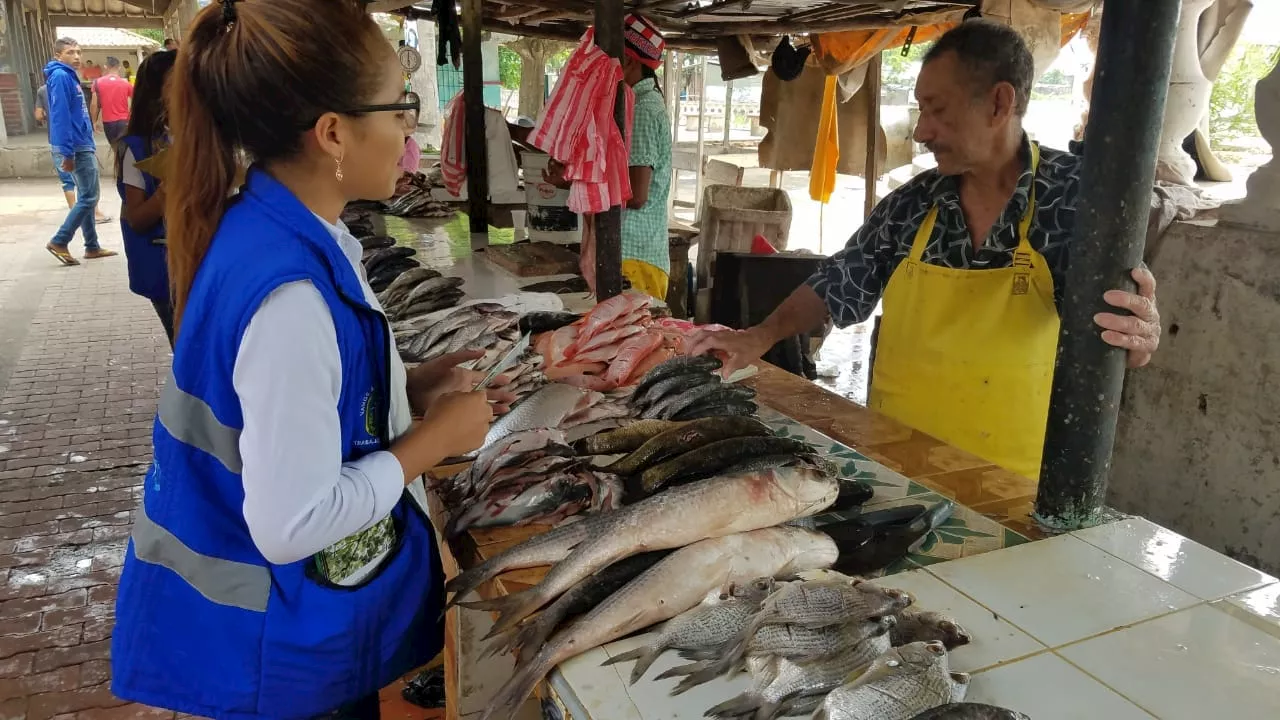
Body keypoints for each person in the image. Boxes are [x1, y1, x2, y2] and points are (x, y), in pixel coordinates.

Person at [109, 2, 510, 718]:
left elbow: (301, 400)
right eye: (401, 109)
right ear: (333, 132)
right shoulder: (288, 290)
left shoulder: (288, 230)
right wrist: (433, 443)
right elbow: (292, 522)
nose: (408, 130)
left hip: (279, 635)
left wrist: (406, 388)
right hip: (273, 653)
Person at [689, 20, 1162, 482]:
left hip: (1017, 485)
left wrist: (1137, 339)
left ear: (999, 103)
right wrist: (759, 336)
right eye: (921, 111)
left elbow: (1112, 337)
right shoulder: (911, 204)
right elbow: (837, 283)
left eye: (936, 110)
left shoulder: (1074, 203)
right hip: (895, 472)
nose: (922, 132)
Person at [116, 50, 175, 345]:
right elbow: (137, 219)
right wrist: (169, 190)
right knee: (187, 349)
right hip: (164, 271)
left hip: (200, 264)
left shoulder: (192, 136)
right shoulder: (136, 148)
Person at [44, 37, 117, 265]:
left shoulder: (67, 76)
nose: (76, 56)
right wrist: (67, 153)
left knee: (86, 194)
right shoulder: (60, 77)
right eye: (70, 52)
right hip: (76, 146)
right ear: (58, 56)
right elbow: (60, 117)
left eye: (78, 52)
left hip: (81, 143)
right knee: (89, 197)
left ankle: (92, 246)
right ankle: (60, 240)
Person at [618, 13, 673, 300]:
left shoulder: (642, 110)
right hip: (637, 256)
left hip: (635, 256)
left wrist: (583, 188)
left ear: (629, 61)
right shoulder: (638, 103)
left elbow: (637, 196)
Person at [91, 56, 133, 148]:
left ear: (105, 66)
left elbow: (94, 104)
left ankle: (117, 161)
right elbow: (134, 103)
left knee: (114, 149)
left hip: (108, 123)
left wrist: (94, 121)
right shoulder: (126, 84)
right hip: (124, 121)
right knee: (124, 149)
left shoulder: (97, 82)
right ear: (119, 67)